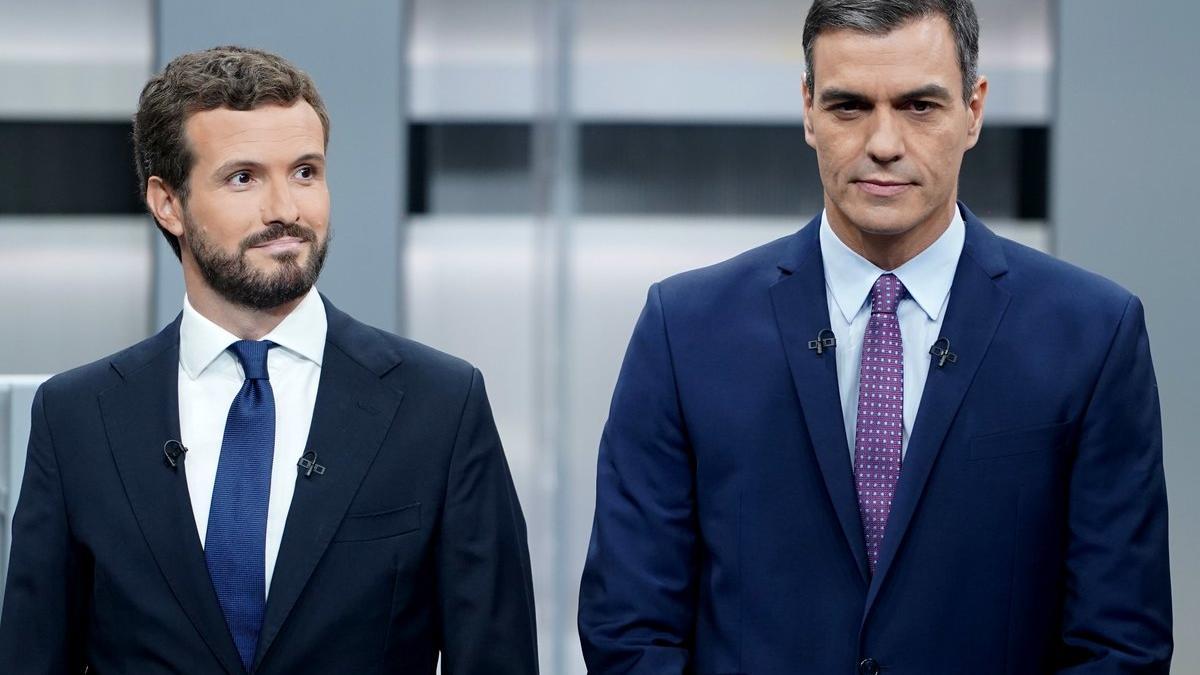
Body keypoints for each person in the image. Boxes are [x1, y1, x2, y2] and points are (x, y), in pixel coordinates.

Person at [577, 1, 1172, 672]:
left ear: (973, 110)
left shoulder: (1092, 335)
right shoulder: (683, 332)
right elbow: (629, 630)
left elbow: (1121, 646)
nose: (884, 142)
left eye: (920, 106)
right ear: (808, 109)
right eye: (849, 106)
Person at [0, 46, 538, 674]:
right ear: (167, 203)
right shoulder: (77, 419)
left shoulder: (440, 405)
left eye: (305, 172)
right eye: (243, 178)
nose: (286, 209)